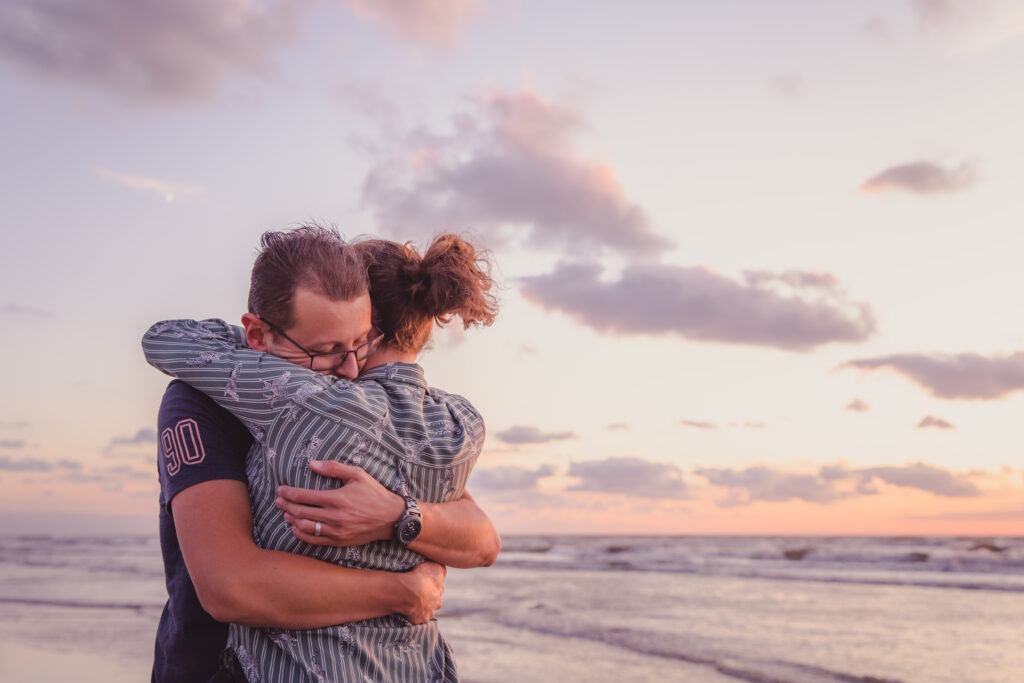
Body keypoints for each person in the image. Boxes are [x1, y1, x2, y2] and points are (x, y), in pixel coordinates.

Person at [143, 229, 498, 682]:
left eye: (360, 343)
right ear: (257, 334)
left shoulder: (359, 402)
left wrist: (396, 514)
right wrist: (403, 592)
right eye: (328, 350)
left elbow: (483, 538)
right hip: (216, 666)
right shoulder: (197, 402)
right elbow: (232, 587)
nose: (351, 369)